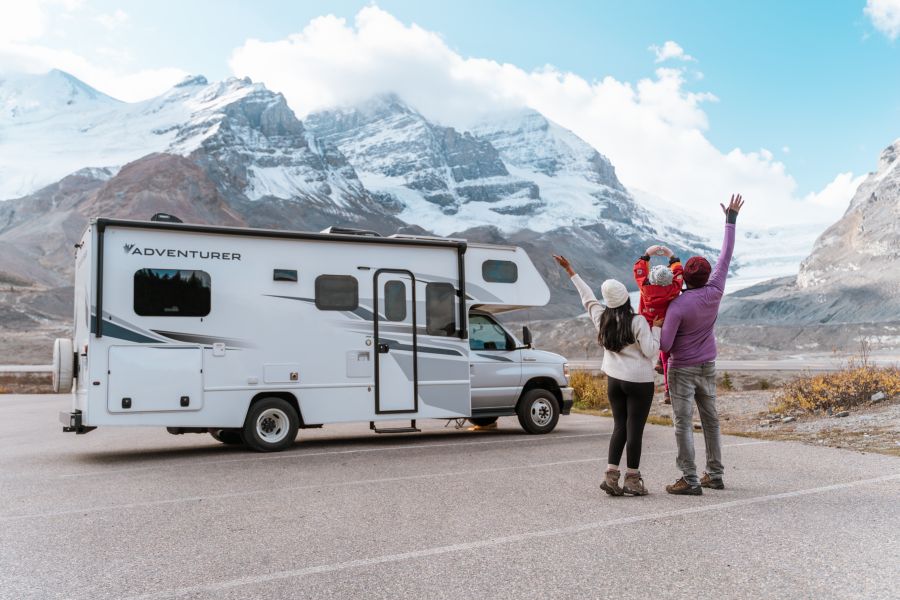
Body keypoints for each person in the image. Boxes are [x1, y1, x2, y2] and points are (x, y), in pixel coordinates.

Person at [554, 254, 663, 496]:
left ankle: (611, 477)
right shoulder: (638, 322)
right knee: (635, 430)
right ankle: (633, 480)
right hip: (639, 382)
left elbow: (587, 297)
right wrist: (657, 326)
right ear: (626, 298)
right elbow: (651, 350)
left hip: (615, 381)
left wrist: (570, 270)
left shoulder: (601, 318)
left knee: (619, 427)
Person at [660, 194, 745, 495]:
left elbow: (667, 343)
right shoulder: (716, 289)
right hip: (707, 364)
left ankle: (690, 479)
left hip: (681, 368)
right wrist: (730, 220)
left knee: (683, 423)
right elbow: (726, 255)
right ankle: (715, 474)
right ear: (708, 276)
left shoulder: (678, 306)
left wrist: (660, 326)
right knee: (711, 421)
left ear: (685, 278)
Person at [633, 246, 684, 404]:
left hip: (646, 323)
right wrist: (671, 255)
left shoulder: (645, 286)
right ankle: (668, 391)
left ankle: (638, 386)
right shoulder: (674, 288)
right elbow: (679, 273)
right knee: (668, 353)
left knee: (641, 354)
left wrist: (648, 253)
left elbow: (639, 270)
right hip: (666, 324)